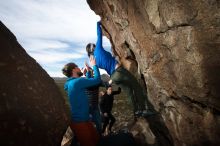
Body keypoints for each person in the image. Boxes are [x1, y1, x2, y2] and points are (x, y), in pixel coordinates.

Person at [86, 21, 156, 117]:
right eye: (93, 45)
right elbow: (99, 34)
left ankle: (136, 111)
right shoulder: (98, 49)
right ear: (93, 48)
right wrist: (98, 24)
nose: (95, 45)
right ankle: (144, 109)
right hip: (119, 71)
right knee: (136, 86)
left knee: (129, 93)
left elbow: (95, 74)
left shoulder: (94, 61)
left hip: (114, 77)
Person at [62, 56, 100, 146]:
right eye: (78, 67)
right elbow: (97, 80)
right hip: (80, 122)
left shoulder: (70, 83)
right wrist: (94, 65)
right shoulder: (77, 82)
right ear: (74, 70)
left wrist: (86, 73)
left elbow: (84, 83)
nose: (80, 68)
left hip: (83, 119)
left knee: (96, 139)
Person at [82, 63, 102, 135]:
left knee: (98, 123)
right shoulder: (84, 82)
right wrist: (88, 70)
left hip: (93, 106)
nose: (91, 72)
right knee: (95, 123)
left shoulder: (94, 81)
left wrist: (108, 84)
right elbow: (89, 81)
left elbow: (100, 82)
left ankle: (99, 136)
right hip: (89, 107)